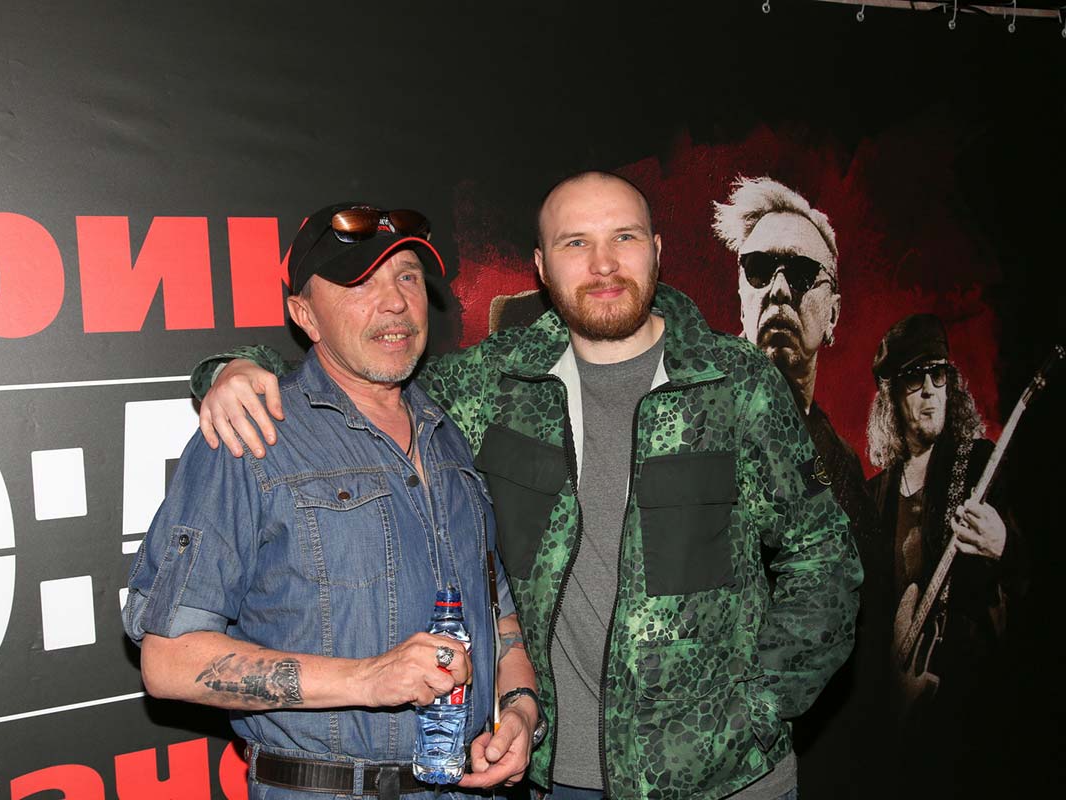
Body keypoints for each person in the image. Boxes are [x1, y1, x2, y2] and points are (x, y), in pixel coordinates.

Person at [192, 172, 862, 800]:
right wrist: (234, 370)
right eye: (576, 243)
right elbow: (354, 377)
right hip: (556, 776)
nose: (603, 264)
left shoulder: (736, 383)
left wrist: (760, 709)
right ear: (541, 267)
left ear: (657, 251)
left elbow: (825, 558)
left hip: (730, 780)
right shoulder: (493, 383)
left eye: (624, 237)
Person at [123, 202, 539, 800]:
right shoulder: (251, 435)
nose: (394, 302)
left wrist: (518, 708)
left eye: (407, 276)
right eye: (359, 283)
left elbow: (497, 614)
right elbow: (168, 662)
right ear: (305, 315)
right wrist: (368, 678)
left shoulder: (448, 432)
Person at [713, 177, 886, 794]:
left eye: (803, 273)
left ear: (832, 313)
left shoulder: (846, 477)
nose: (779, 289)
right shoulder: (678, 418)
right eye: (760, 269)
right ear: (741, 294)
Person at [864, 313, 1023, 792]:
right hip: (896, 720)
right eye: (915, 379)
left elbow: (1043, 568)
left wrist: (1005, 546)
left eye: (939, 375)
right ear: (892, 396)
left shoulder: (978, 466)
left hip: (969, 715)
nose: (931, 390)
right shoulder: (876, 495)